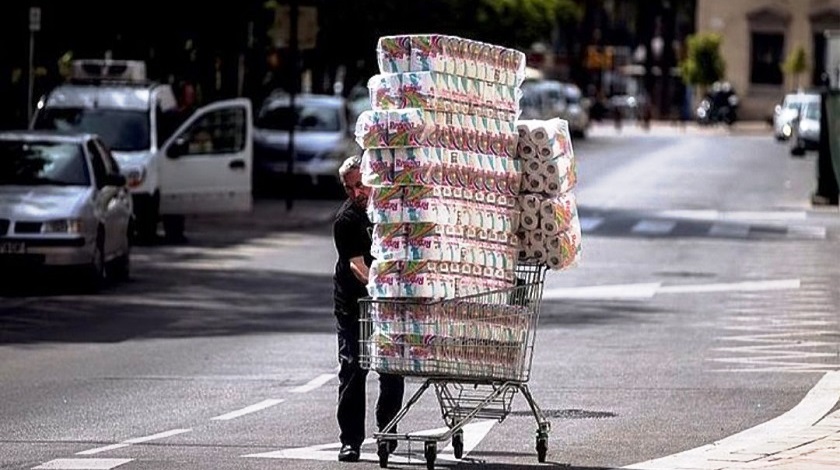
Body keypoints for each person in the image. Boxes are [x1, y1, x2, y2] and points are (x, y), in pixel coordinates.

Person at [333, 155, 404, 462]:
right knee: (352, 367)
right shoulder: (346, 220)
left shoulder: (388, 209)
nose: (356, 193)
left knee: (389, 369)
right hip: (354, 303)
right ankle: (350, 440)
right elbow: (358, 267)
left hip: (386, 303)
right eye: (349, 188)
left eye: (360, 185)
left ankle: (387, 433)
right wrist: (381, 288)